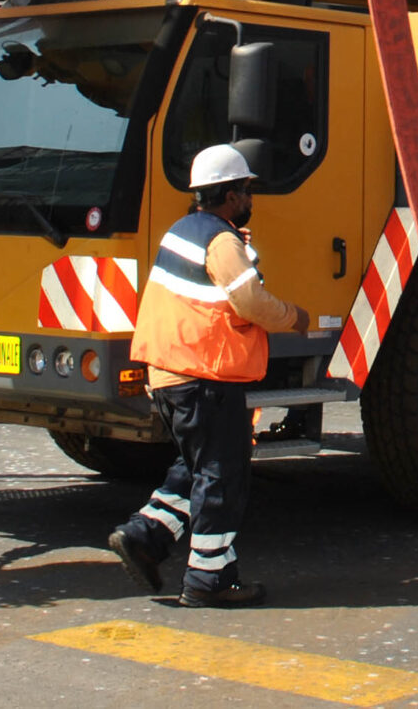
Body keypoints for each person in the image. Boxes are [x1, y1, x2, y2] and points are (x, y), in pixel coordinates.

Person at [108, 145, 305, 606]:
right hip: (205, 377)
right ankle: (209, 579)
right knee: (222, 474)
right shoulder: (220, 241)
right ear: (232, 194)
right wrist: (294, 316)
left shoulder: (182, 232)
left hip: (170, 374)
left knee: (194, 467)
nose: (250, 197)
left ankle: (144, 537)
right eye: (246, 190)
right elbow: (251, 303)